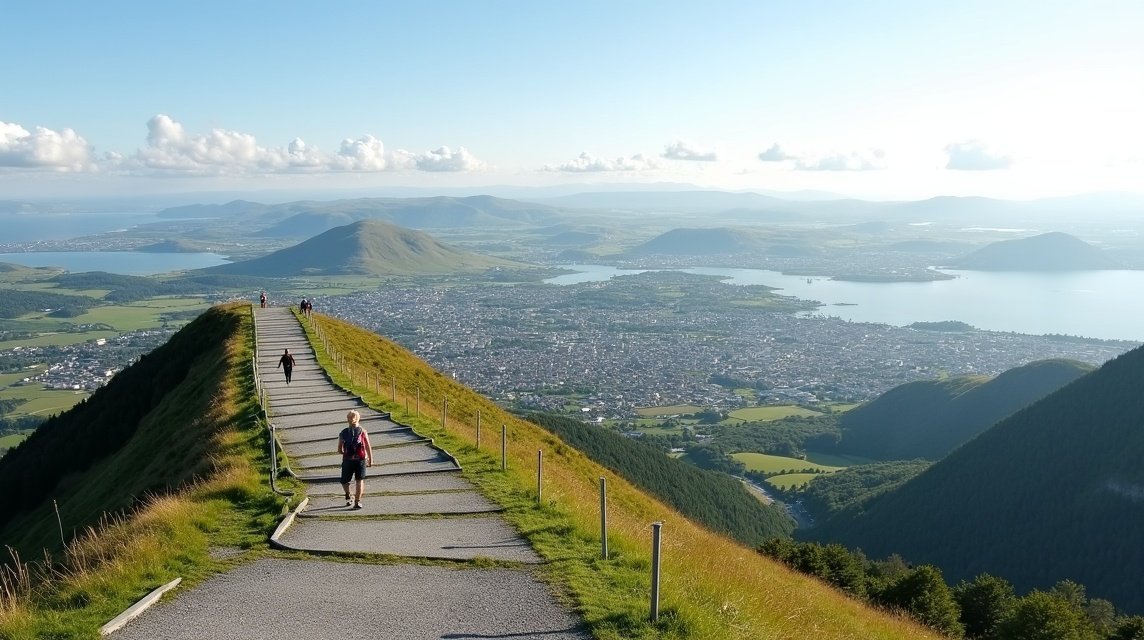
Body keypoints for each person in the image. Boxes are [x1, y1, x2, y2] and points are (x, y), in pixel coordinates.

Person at [338, 410, 372, 509]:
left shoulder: (343, 432)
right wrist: (370, 459)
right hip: (360, 459)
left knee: (345, 481)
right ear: (358, 419)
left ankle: (348, 494)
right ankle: (357, 502)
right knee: (359, 481)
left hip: (347, 460)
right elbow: (367, 446)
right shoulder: (363, 431)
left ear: (348, 419)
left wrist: (345, 453)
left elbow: (339, 449)